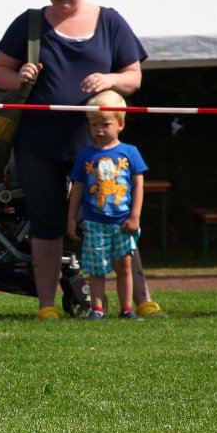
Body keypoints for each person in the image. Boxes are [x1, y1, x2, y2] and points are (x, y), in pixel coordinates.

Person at [0, 0, 159, 319]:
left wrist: (110, 79)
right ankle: (47, 306)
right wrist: (18, 77)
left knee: (115, 217)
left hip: (99, 146)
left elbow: (134, 77)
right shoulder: (30, 23)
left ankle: (140, 300)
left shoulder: (111, 22)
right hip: (38, 143)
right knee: (47, 222)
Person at [66, 91, 146, 319]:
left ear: (120, 124)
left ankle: (127, 309)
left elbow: (138, 185)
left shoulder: (130, 152)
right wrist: (72, 218)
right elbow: (78, 188)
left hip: (123, 223)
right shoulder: (85, 155)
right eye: (93, 125)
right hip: (94, 224)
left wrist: (135, 216)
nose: (99, 130)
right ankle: (97, 309)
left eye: (105, 124)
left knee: (125, 268)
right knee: (96, 270)